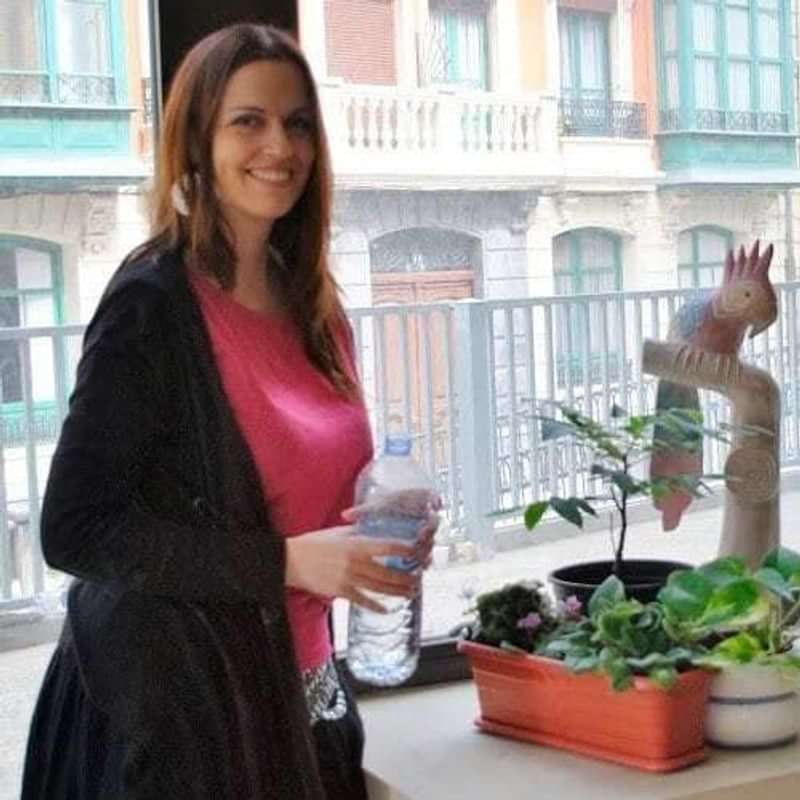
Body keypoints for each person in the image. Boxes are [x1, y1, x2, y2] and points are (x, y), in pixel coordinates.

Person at [21, 23, 438, 800]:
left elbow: (306, 485)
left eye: (297, 122)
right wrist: (287, 562)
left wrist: (388, 517)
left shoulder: (313, 302)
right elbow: (73, 528)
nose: (279, 145)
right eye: (248, 120)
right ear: (197, 141)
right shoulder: (152, 305)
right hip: (183, 716)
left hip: (306, 690)